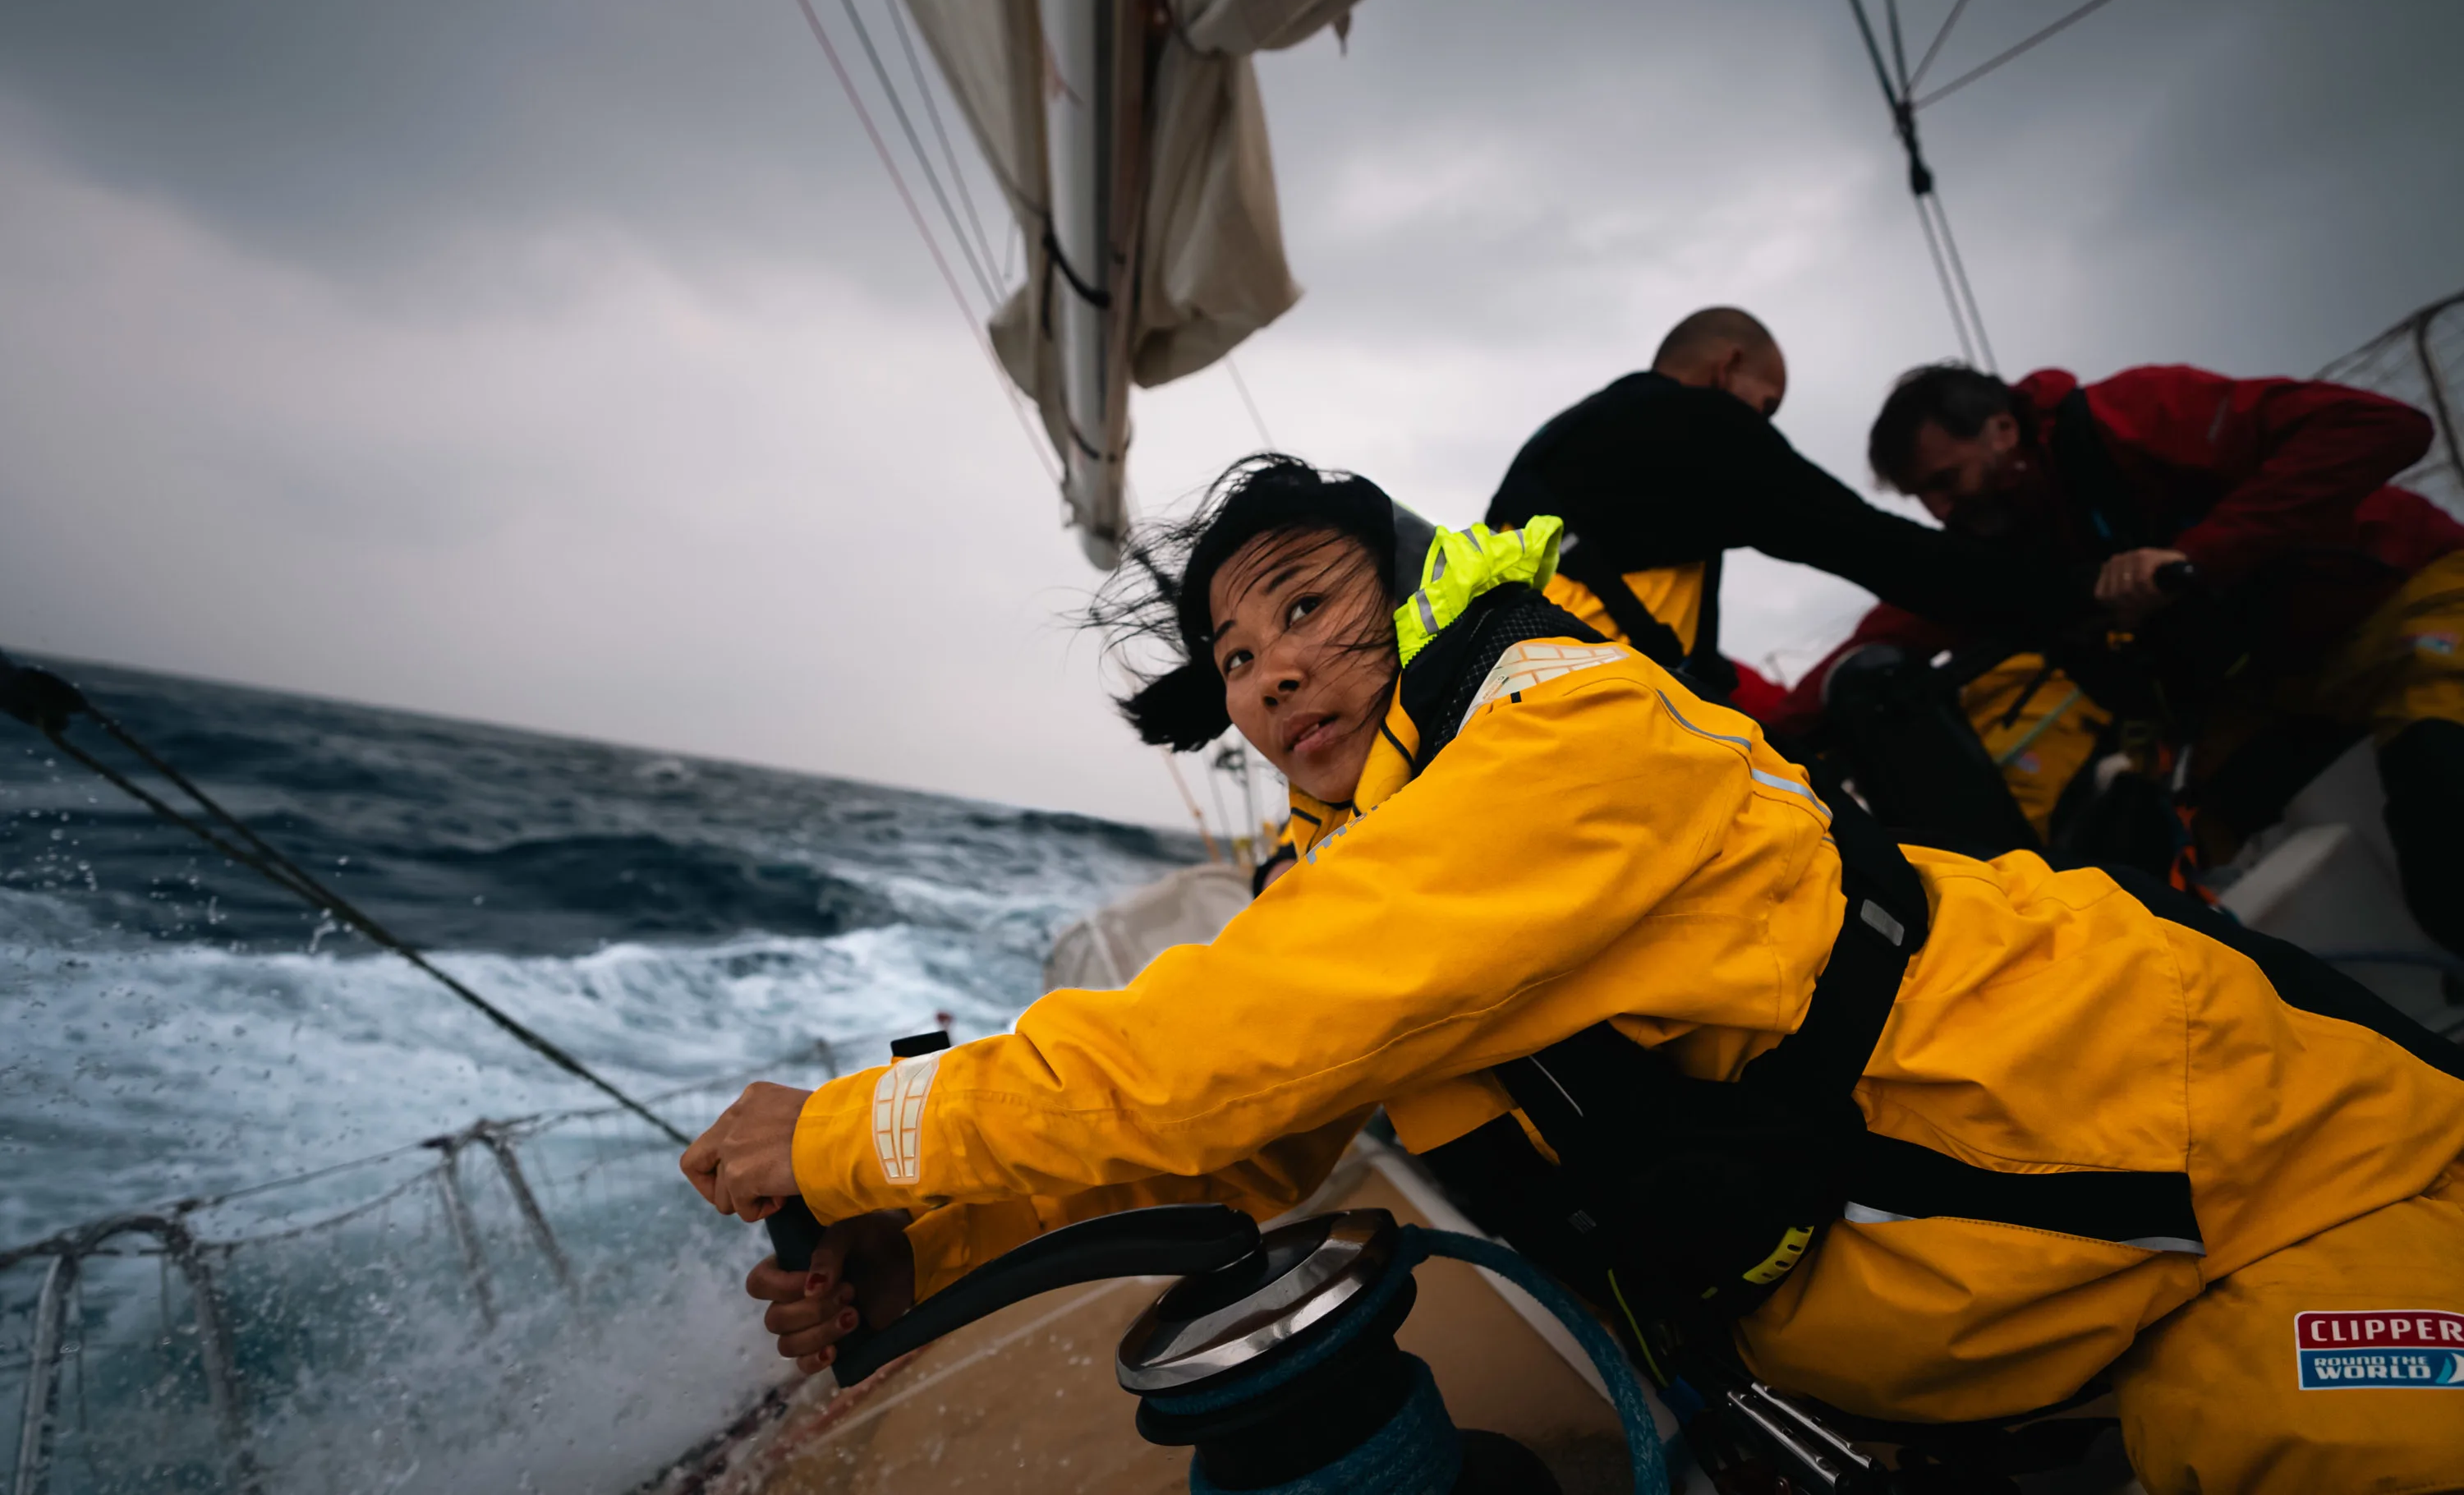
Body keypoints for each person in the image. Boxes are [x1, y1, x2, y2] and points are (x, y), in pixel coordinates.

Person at [684, 456, 2464, 1493]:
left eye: (1307, 606)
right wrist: (926, 1246)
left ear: (1410, 587)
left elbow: (1221, 1047)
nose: (1272, 674)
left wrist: (857, 1133)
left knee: (2333, 1429)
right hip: (1982, 1365)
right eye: (1232, 653)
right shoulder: (1362, 870)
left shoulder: (1560, 733)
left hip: (2278, 1220)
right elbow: (1241, 1149)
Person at [1867, 360, 2464, 948]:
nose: (1940, 511)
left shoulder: (2132, 414)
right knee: (2142, 878)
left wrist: (2194, 557)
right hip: (2264, 690)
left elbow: (2379, 425)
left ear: (2003, 430)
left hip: (2398, 606)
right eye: (1923, 497)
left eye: (1946, 482)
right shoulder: (1994, 546)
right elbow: (1887, 631)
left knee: (2445, 806)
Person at [1485, 307, 2082, 720]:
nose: (1763, 426)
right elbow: (1867, 542)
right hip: (1594, 691)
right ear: (1728, 367)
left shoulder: (1560, 441)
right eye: (1766, 406)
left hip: (1498, 676)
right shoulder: (1706, 427)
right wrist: (2067, 591)